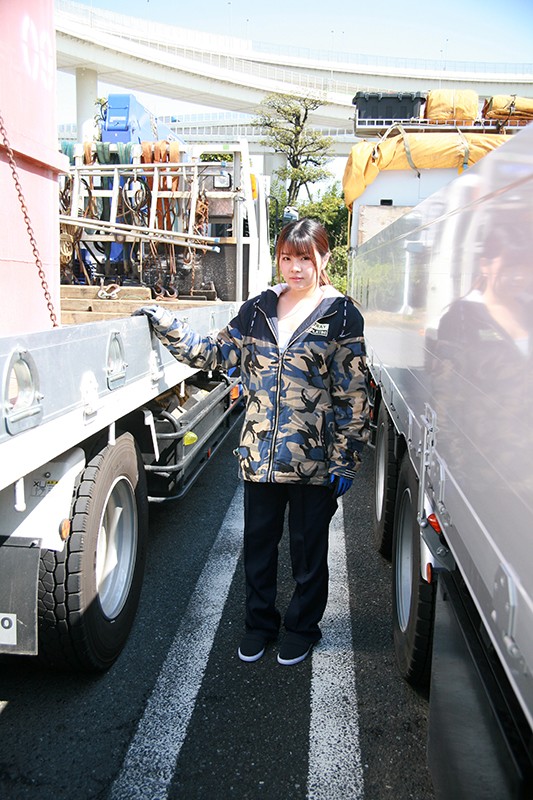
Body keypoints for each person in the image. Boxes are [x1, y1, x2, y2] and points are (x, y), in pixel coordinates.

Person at [134, 218, 369, 665]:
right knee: (259, 550)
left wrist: (346, 459)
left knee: (308, 554)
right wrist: (168, 325)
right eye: (287, 257)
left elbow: (352, 394)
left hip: (314, 462)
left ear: (323, 259)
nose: (295, 268)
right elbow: (213, 353)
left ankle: (302, 628)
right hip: (259, 458)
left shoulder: (341, 316)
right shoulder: (258, 309)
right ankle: (259, 625)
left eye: (305, 258)